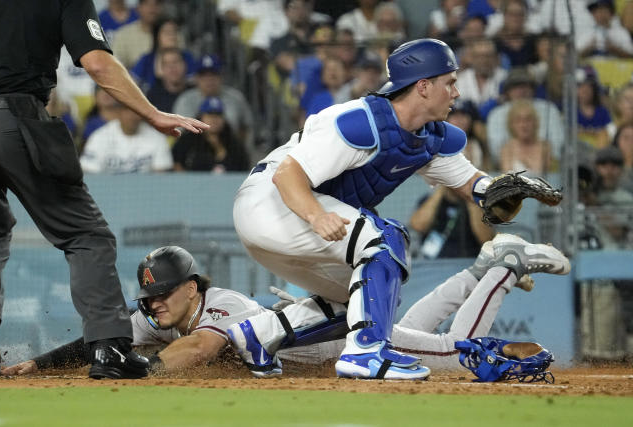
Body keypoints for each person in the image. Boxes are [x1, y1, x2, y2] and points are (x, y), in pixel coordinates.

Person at [225, 38, 527, 380]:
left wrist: (506, 190)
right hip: (271, 202)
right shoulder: (357, 120)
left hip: (292, 217)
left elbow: (474, 185)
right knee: (385, 240)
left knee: (371, 294)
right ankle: (365, 353)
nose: (456, 92)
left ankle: (261, 335)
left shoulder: (428, 137)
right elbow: (287, 174)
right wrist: (316, 215)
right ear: (424, 86)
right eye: (450, 82)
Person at [0, 0, 209, 379]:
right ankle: (110, 348)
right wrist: (153, 114)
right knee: (87, 235)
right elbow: (95, 61)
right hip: (15, 117)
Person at [1, 235, 571, 376]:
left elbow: (201, 348)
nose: (153, 305)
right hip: (337, 340)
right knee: (414, 322)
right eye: (148, 296)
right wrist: (43, 363)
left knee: (452, 358)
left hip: (341, 342)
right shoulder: (154, 316)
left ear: (192, 287)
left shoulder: (218, 305)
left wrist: (144, 370)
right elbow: (102, 339)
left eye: (163, 293)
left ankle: (502, 270)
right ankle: (482, 266)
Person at [80, 102, 173, 174]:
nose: (132, 116)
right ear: (118, 112)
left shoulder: (157, 138)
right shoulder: (99, 137)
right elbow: (89, 173)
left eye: (136, 112)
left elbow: (161, 179)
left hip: (146, 193)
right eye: (127, 111)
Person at [172, 97, 250, 172]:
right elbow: (176, 163)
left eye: (218, 115)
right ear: (201, 117)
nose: (214, 119)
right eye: (210, 115)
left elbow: (244, 169)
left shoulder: (233, 142)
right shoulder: (188, 139)